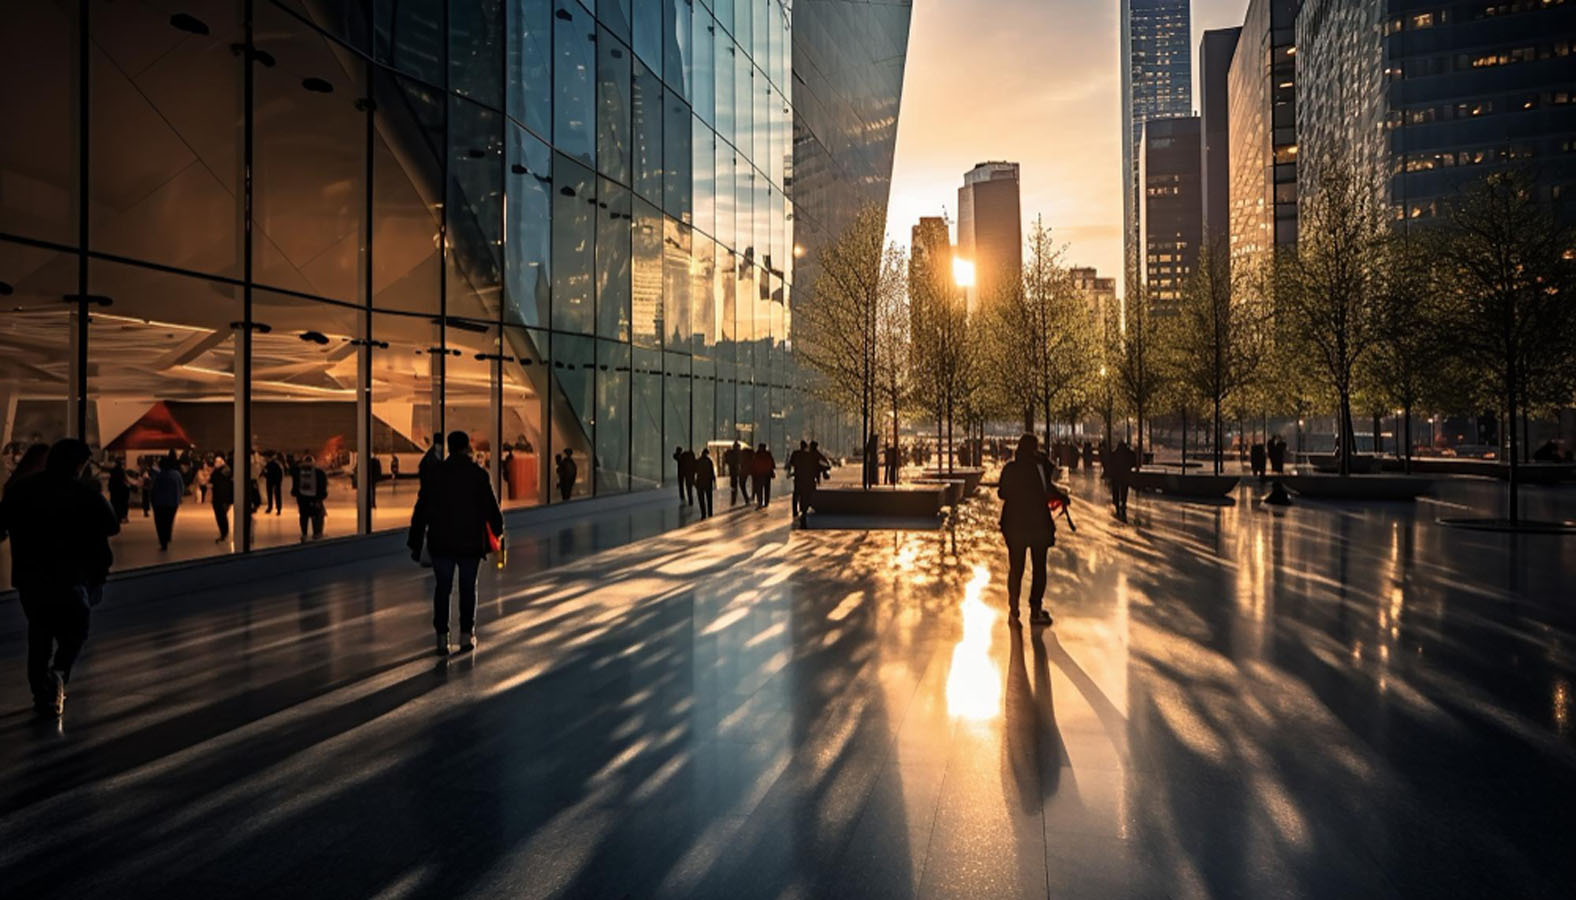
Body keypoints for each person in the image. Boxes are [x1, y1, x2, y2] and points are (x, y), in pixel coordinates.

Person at [0, 438, 120, 716]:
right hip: (71, 574)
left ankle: (42, 691)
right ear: (78, 464)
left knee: (39, 631)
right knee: (76, 628)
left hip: (30, 575)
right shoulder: (82, 493)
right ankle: (58, 674)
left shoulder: (22, 490)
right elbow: (111, 525)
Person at [407, 431, 504, 655]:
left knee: (443, 588)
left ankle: (442, 636)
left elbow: (421, 509)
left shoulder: (435, 474)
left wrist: (415, 538)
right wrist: (497, 531)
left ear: (449, 447)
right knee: (468, 588)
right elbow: (491, 507)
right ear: (466, 447)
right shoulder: (478, 475)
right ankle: (466, 635)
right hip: (470, 542)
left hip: (441, 542)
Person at [997, 434, 1058, 627]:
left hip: (1014, 524)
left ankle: (1014, 609)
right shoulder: (1040, 468)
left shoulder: (1010, 468)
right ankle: (1035, 610)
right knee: (1039, 567)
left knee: (1016, 568)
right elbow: (1047, 488)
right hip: (1038, 523)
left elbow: (1002, 493)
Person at [150, 453, 184, 550]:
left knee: (160, 523)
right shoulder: (176, 475)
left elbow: (154, 489)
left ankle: (163, 541)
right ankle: (167, 536)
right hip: (173, 503)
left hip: (159, 503)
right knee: (169, 521)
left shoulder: (159, 476)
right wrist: (179, 498)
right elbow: (181, 487)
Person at [292, 454, 328, 540]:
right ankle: (317, 533)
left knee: (303, 516)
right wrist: (321, 497)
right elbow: (323, 486)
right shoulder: (320, 473)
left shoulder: (298, 473)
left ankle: (304, 533)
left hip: (302, 499)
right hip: (316, 499)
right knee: (317, 516)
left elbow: (295, 486)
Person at [1107, 439, 1137, 522]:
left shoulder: (1114, 453)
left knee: (1116, 490)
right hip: (1125, 475)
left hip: (1116, 475)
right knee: (1124, 489)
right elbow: (1134, 461)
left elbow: (1110, 463)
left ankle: (1116, 503)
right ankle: (1123, 503)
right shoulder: (1129, 453)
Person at [788, 440, 818, 518]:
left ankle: (795, 511)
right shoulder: (809, 455)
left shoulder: (795, 453)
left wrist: (790, 472)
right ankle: (803, 509)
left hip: (798, 477)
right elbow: (813, 466)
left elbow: (790, 464)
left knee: (796, 493)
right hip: (807, 478)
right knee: (805, 493)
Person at [210, 457, 234, 542]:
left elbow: (214, 480)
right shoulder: (221, 471)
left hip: (222, 497)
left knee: (221, 516)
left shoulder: (223, 471)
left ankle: (224, 533)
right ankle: (223, 533)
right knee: (220, 516)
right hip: (219, 497)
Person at [694, 448, 716, 518]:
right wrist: (714, 481)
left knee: (701, 499)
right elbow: (712, 472)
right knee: (709, 498)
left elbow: (695, 471)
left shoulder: (698, 461)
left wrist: (695, 482)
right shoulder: (709, 461)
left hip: (700, 482)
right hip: (708, 482)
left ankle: (703, 513)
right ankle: (710, 513)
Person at [106, 458, 131, 523]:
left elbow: (111, 480)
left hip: (114, 490)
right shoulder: (122, 471)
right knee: (122, 504)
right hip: (121, 490)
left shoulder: (112, 471)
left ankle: (115, 517)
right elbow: (126, 479)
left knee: (114, 504)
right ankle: (122, 517)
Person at [752, 442, 776, 508]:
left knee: (759, 489)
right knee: (767, 489)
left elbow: (753, 464)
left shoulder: (756, 454)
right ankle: (766, 502)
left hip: (759, 475)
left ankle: (760, 502)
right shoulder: (768, 454)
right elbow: (773, 464)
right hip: (767, 474)